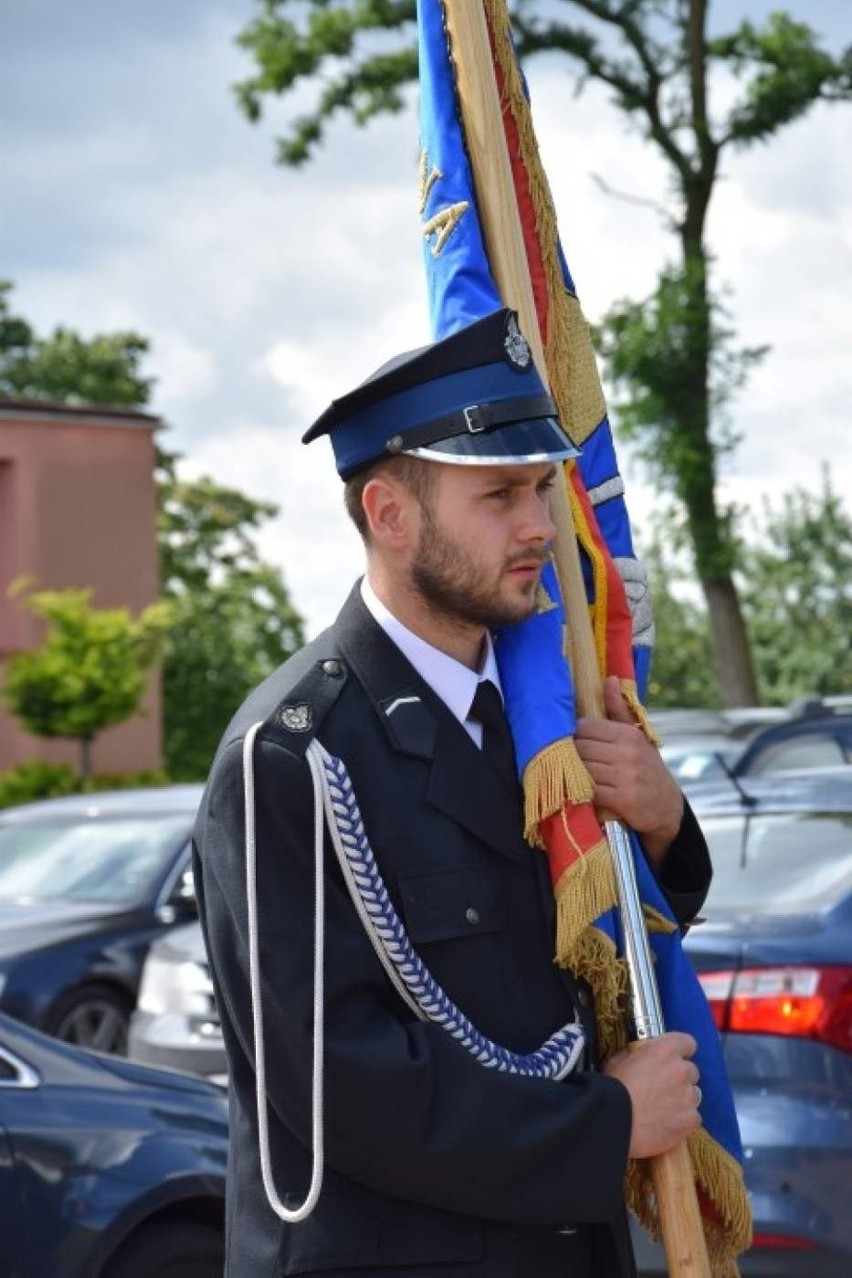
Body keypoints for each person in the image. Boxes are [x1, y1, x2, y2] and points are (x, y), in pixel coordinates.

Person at [192, 307, 711, 1277]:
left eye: (544, 489)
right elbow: (334, 1081)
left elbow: (579, 953)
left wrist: (665, 828)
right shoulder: (289, 756)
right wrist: (604, 1124)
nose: (538, 528)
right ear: (389, 514)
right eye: (499, 496)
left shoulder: (539, 719)